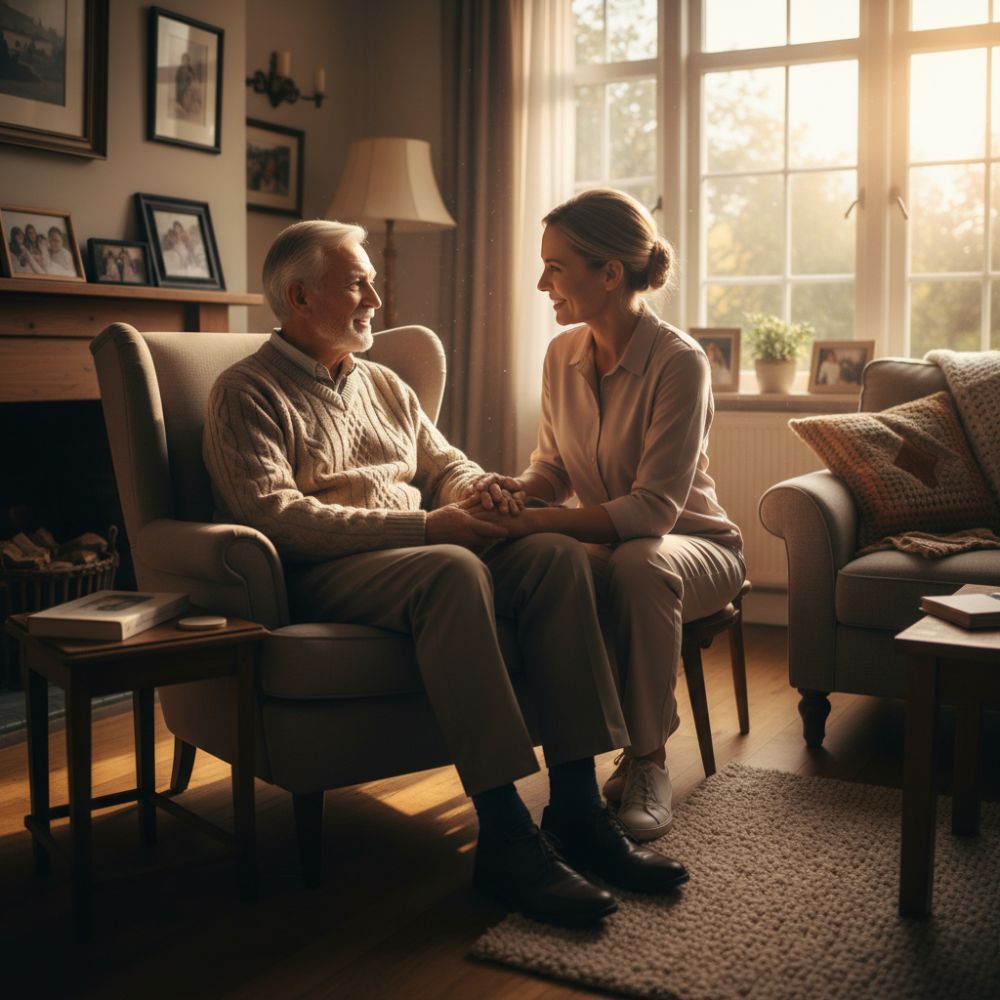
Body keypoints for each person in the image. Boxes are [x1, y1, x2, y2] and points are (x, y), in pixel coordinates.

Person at [202, 219, 690, 928]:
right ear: (300, 297)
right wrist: (430, 525)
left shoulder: (384, 384)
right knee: (452, 570)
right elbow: (277, 517)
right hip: (331, 570)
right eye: (357, 282)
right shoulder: (244, 392)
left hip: (419, 550)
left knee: (554, 555)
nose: (376, 294)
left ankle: (579, 811)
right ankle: (504, 836)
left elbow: (445, 464)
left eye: (371, 278)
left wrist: (480, 492)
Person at [464, 189, 745, 842]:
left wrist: (533, 521)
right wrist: (514, 492)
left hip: (693, 543)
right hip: (613, 544)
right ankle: (578, 760)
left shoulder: (679, 362)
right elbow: (553, 470)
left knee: (641, 564)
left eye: (556, 268)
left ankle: (647, 760)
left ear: (610, 274)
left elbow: (652, 512)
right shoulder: (561, 355)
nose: (542, 284)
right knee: (548, 564)